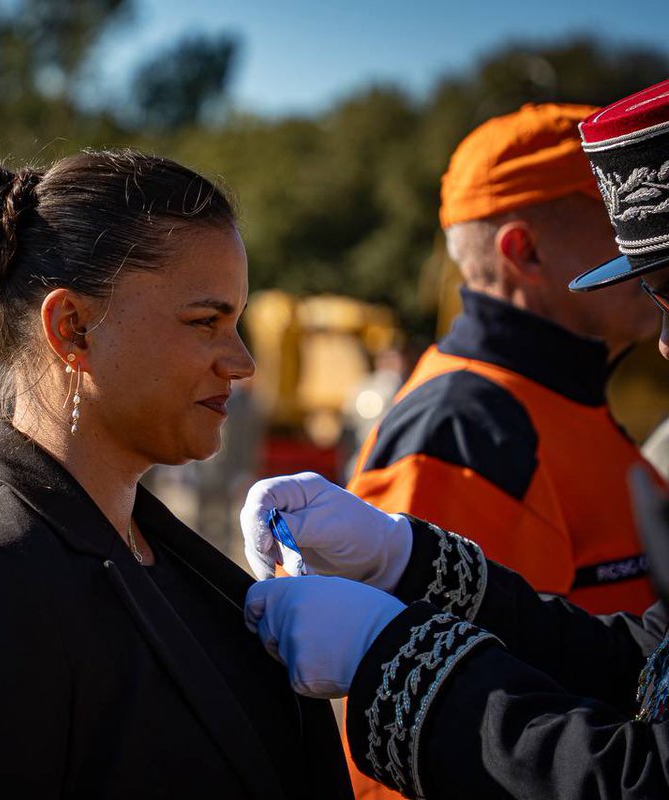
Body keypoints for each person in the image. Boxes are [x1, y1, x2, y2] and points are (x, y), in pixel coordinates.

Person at [0, 151, 353, 798]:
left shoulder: (166, 555)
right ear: (74, 328)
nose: (240, 362)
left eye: (235, 323)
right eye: (206, 321)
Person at [244, 78, 669, 800]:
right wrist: (404, 570)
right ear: (522, 250)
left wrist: (396, 636)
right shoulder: (472, 422)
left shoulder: (562, 400)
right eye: (602, 214)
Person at [347, 103, 660, 618]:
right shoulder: (462, 429)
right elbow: (423, 686)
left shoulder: (559, 397)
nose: (647, 244)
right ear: (525, 252)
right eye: (619, 218)